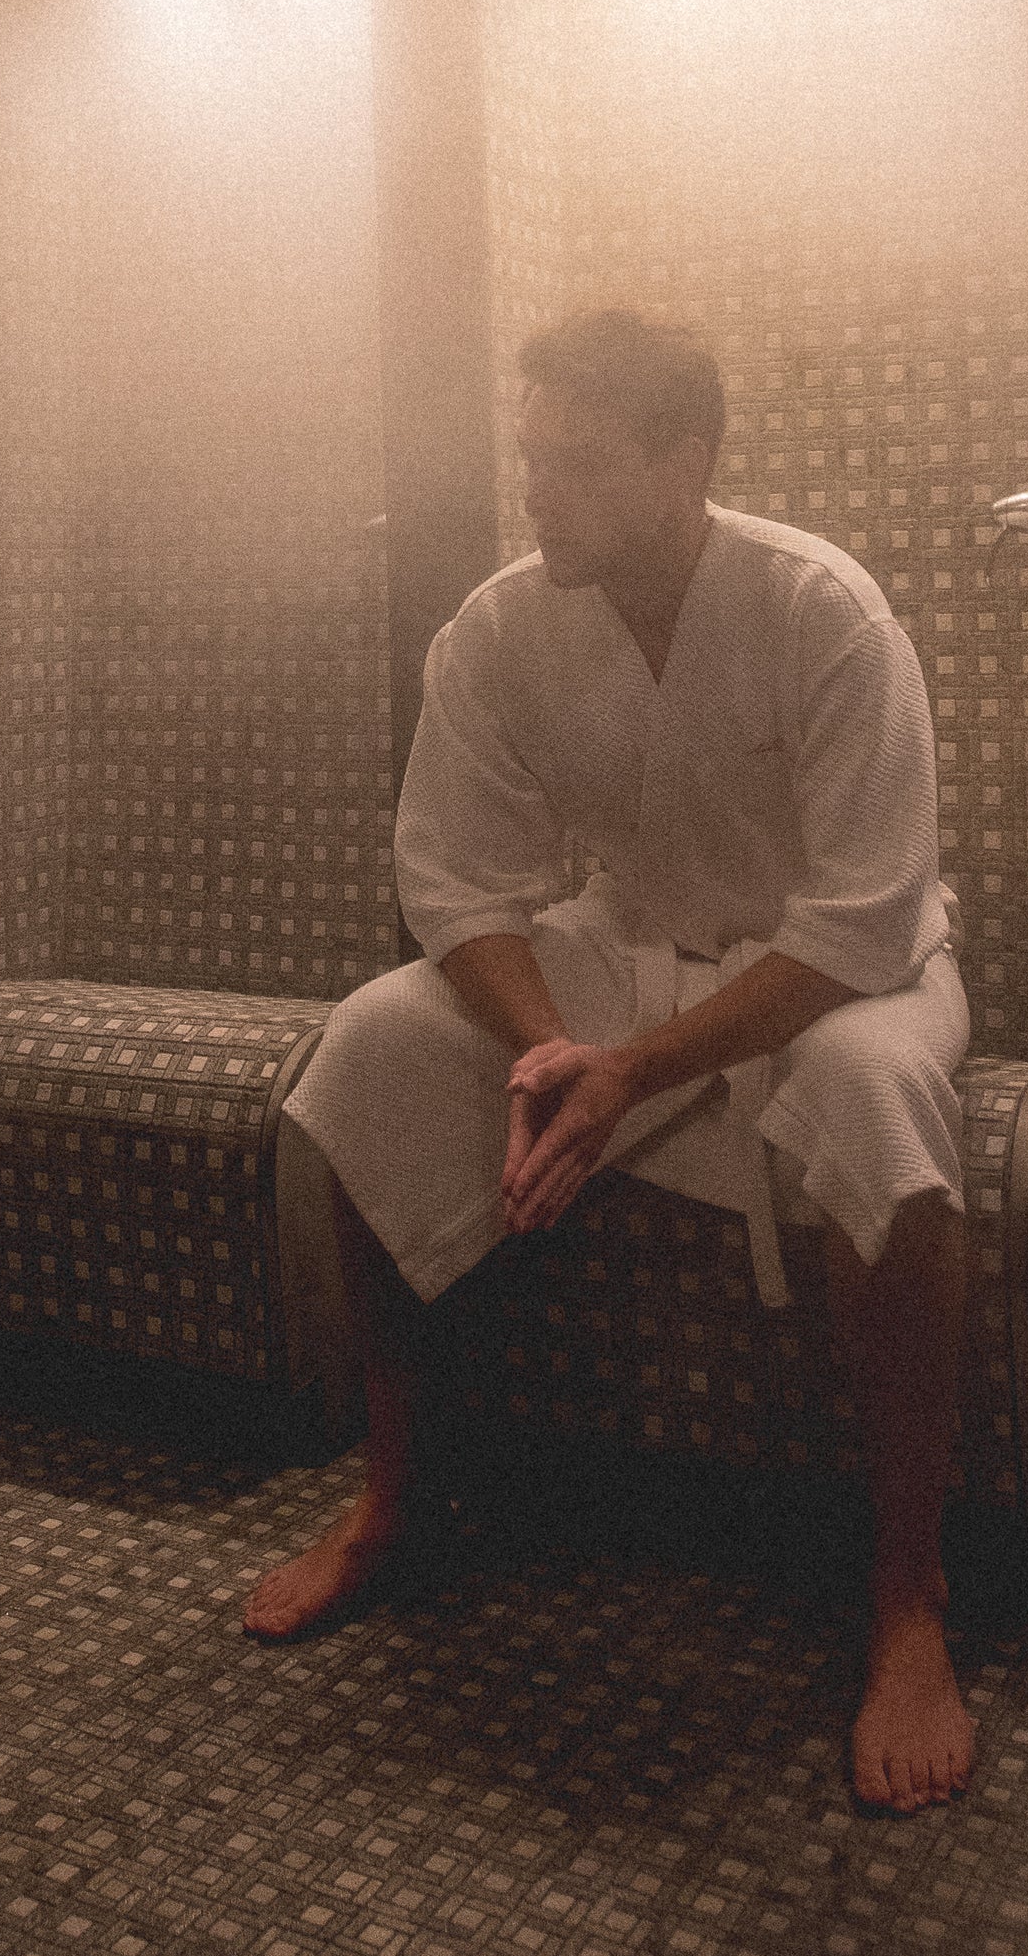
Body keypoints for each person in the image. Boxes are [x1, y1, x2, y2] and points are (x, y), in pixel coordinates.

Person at [243, 305, 980, 1814]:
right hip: (624, 946)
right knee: (378, 1040)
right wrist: (554, 1049)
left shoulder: (823, 610)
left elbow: (857, 918)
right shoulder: (504, 624)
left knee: (876, 1094)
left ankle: (910, 1597)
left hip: (844, 971)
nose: (538, 492)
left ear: (685, 460)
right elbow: (455, 878)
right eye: (532, 458)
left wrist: (628, 1071)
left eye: (576, 463)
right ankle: (392, 1498)